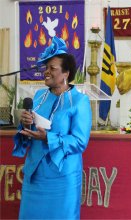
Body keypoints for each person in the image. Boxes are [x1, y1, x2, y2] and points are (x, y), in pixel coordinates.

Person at [12, 36, 92, 219]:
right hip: (35, 175)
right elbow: (28, 133)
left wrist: (48, 137)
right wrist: (25, 123)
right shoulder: (39, 96)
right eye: (46, 68)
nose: (46, 72)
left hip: (63, 177)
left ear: (66, 73)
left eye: (52, 68)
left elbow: (80, 142)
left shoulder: (80, 102)